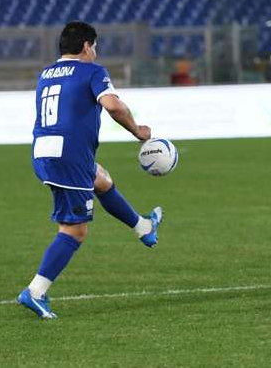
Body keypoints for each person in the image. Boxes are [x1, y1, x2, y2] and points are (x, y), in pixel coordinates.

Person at [17, 21, 162, 319]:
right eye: (94, 46)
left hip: (44, 151)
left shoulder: (45, 73)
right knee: (75, 230)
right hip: (67, 157)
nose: (95, 52)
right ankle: (35, 291)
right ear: (86, 45)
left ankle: (143, 228)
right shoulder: (92, 71)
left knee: (101, 179)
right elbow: (113, 106)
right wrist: (137, 130)